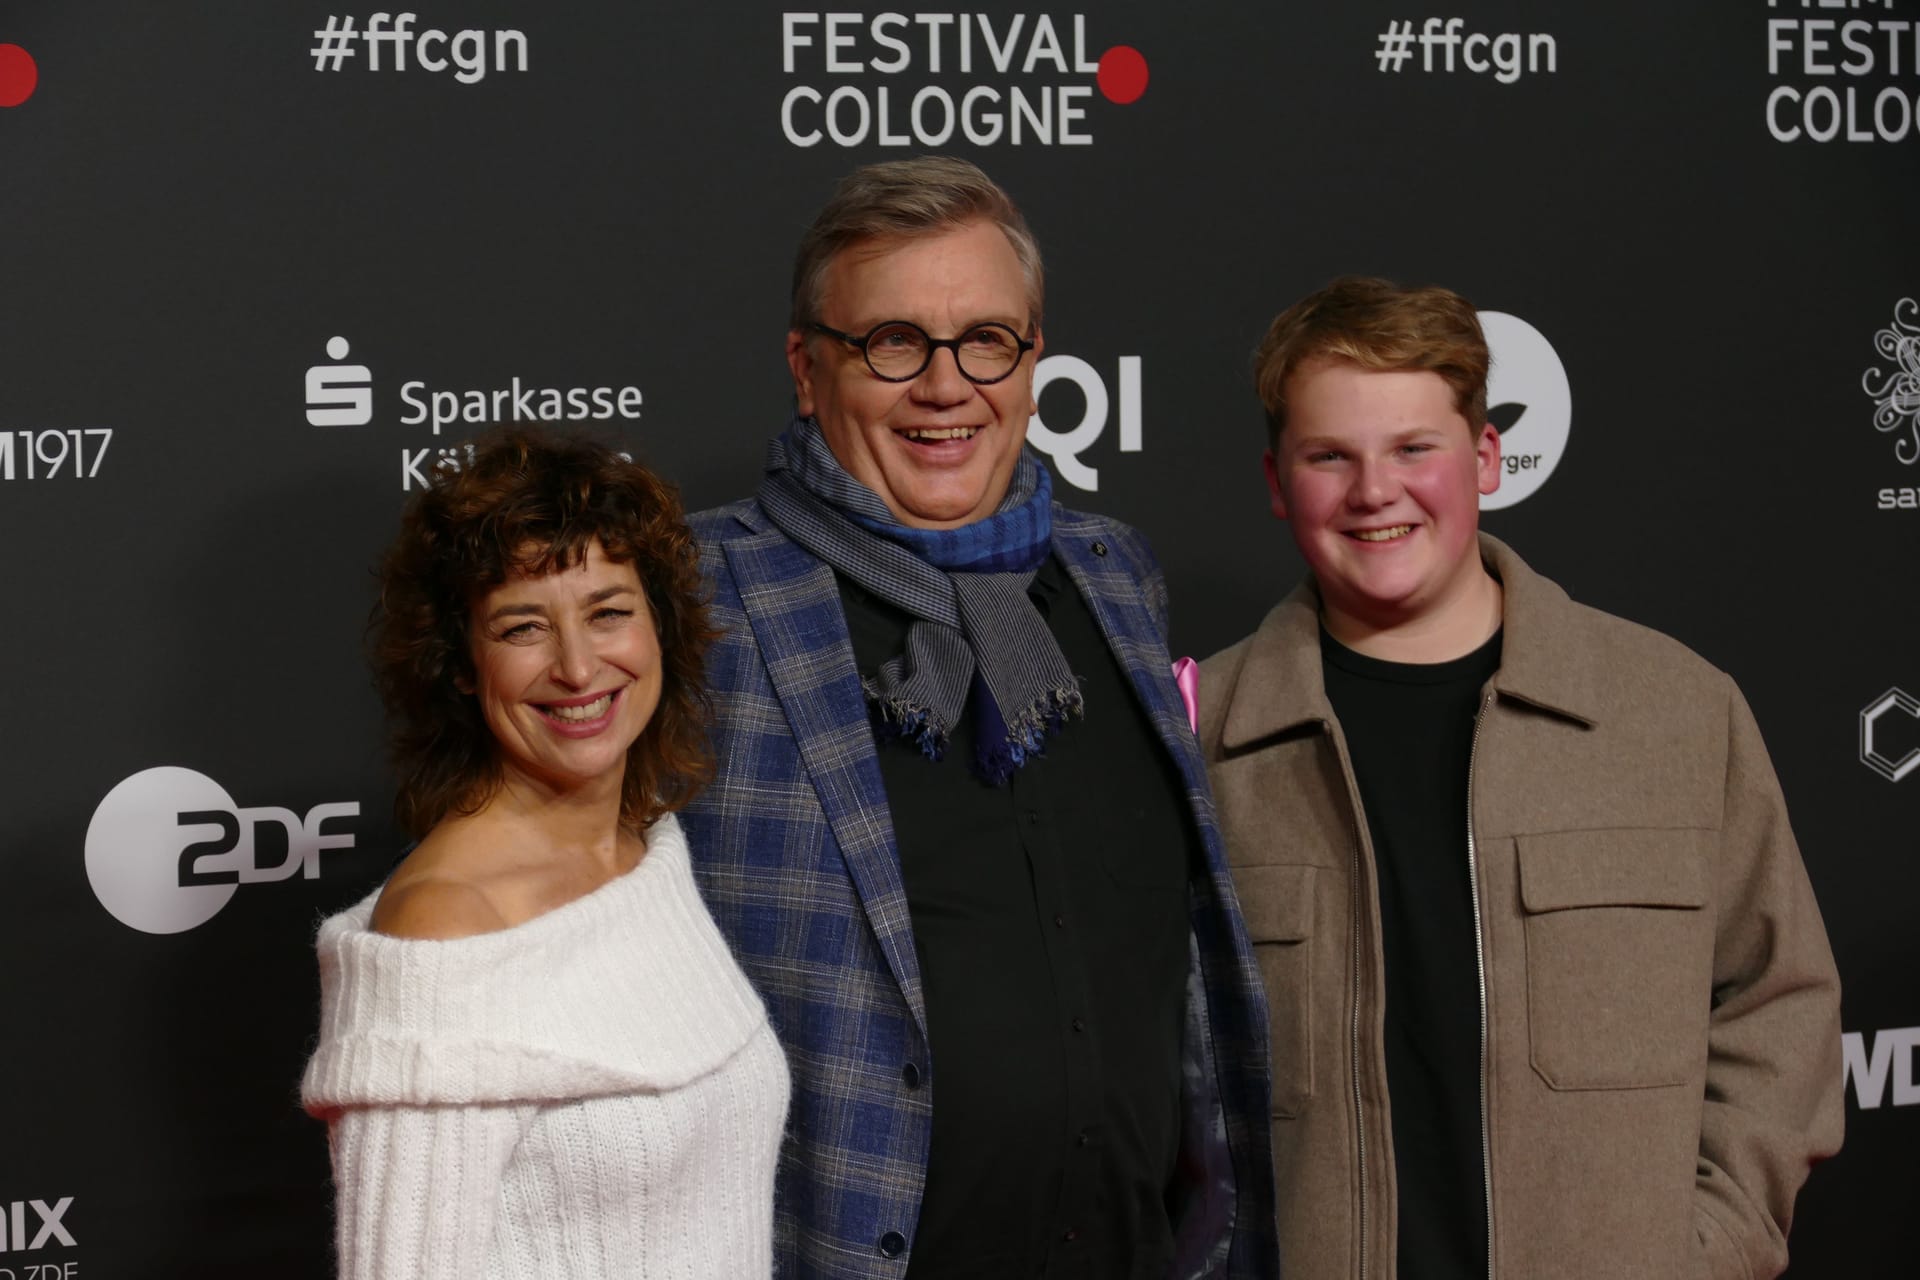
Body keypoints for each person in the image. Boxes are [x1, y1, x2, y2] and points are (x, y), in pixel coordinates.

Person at [681, 156, 1278, 1279]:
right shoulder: (696, 602)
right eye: (893, 342)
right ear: (808, 370)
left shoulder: (1112, 577)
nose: (946, 386)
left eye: (986, 340)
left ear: (1031, 360)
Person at [1198, 276, 1844, 1279]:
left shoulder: (1675, 711)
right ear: (1280, 482)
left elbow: (1779, 1005)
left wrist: (1704, 1250)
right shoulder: (1201, 740)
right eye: (1332, 456)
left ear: (1487, 458)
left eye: (1416, 448)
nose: (1376, 490)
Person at [300, 430, 789, 1279]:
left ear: (659, 628)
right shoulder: (444, 929)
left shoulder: (645, 849)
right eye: (524, 626)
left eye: (609, 612)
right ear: (461, 663)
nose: (577, 666)